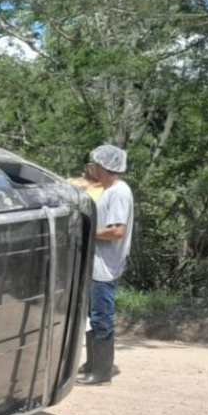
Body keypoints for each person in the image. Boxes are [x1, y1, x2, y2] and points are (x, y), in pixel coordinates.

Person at [77, 144, 134, 386]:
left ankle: (102, 372)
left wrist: (86, 232)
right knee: (93, 316)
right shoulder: (109, 191)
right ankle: (92, 364)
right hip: (97, 265)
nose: (90, 169)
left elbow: (117, 231)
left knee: (101, 318)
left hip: (105, 267)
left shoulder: (119, 192)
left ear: (102, 165)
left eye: (93, 165)